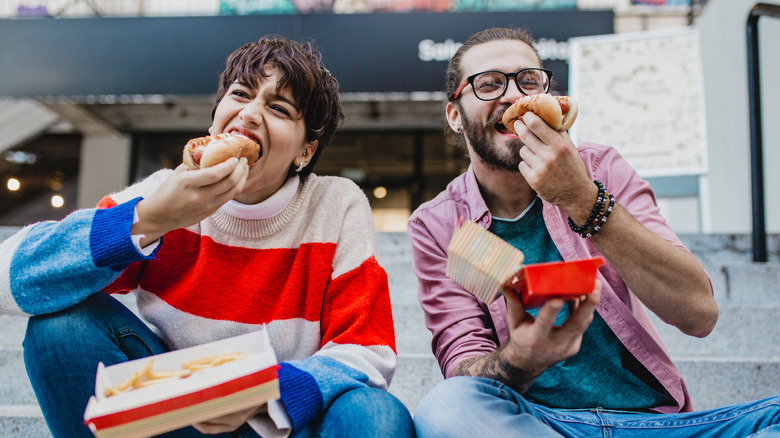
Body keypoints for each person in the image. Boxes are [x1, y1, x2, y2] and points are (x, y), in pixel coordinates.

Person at [0, 35, 415, 438]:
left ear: (305, 151)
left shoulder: (335, 205)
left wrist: (261, 392)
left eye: (279, 108)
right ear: (215, 115)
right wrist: (148, 220)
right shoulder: (166, 193)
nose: (250, 114)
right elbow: (10, 278)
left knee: (377, 415)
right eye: (240, 94)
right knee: (61, 326)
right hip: (176, 416)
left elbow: (368, 351)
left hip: (282, 417)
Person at [407, 27, 780, 437]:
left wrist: (583, 198)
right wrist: (521, 358)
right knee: (444, 407)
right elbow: (463, 366)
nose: (515, 97)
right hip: (537, 423)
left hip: (652, 425)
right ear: (455, 115)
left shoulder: (599, 170)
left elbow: (698, 313)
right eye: (490, 84)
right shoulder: (444, 225)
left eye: (529, 81)